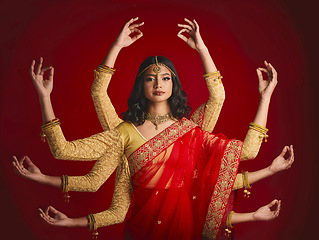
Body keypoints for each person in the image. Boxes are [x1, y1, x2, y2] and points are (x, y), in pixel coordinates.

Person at [13, 17, 288, 239]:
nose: (158, 83)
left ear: (173, 85)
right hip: (140, 232)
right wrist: (44, 96)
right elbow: (65, 149)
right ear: (141, 86)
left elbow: (233, 126)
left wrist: (263, 96)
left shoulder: (190, 131)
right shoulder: (125, 133)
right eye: (150, 78)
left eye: (165, 77)